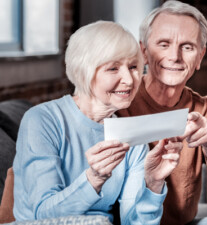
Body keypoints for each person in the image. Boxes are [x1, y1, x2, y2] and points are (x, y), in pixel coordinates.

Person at [12, 21, 182, 225]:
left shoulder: (132, 140)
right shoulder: (42, 120)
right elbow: (44, 214)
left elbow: (134, 223)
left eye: (133, 67)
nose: (129, 79)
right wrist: (94, 179)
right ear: (84, 71)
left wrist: (153, 184)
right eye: (113, 68)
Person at [117, 1, 207, 224]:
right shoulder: (118, 101)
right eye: (164, 44)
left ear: (200, 57)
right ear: (143, 51)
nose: (175, 56)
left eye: (187, 47)